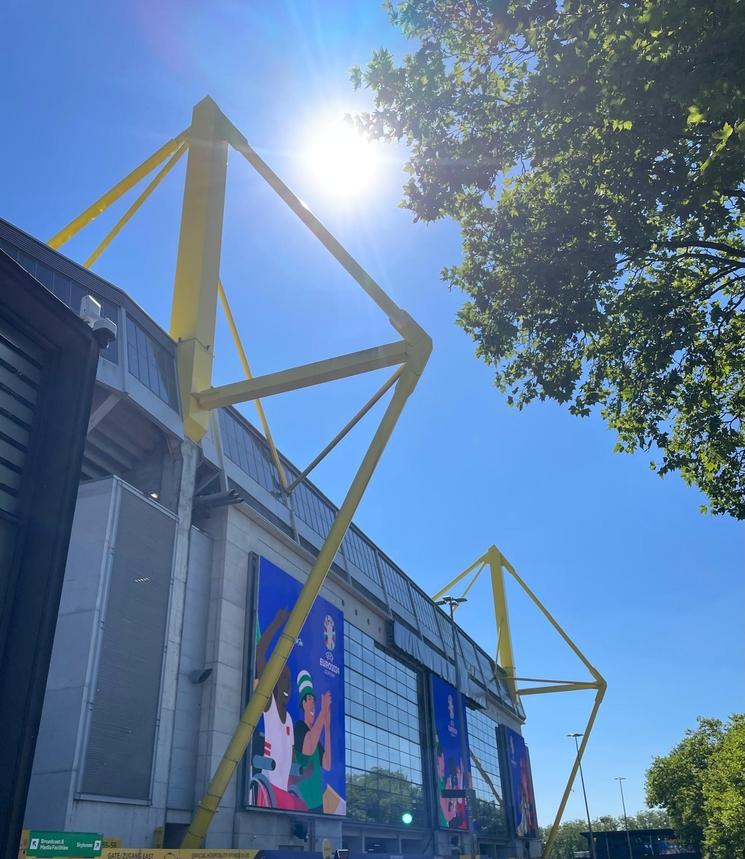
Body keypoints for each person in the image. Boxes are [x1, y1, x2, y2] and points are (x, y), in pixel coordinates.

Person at [255, 606, 299, 810]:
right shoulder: (269, 705)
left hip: (284, 792)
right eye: (282, 678)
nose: (287, 686)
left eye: (289, 680)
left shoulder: (289, 719)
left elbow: (288, 757)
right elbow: (259, 653)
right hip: (269, 788)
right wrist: (277, 623)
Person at [293, 669, 332, 813]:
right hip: (302, 805)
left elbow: (327, 764)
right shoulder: (299, 728)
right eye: (308, 699)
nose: (312, 703)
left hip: (318, 804)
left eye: (313, 700)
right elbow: (308, 749)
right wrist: (323, 711)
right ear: (303, 704)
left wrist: (327, 726)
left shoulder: (316, 739)